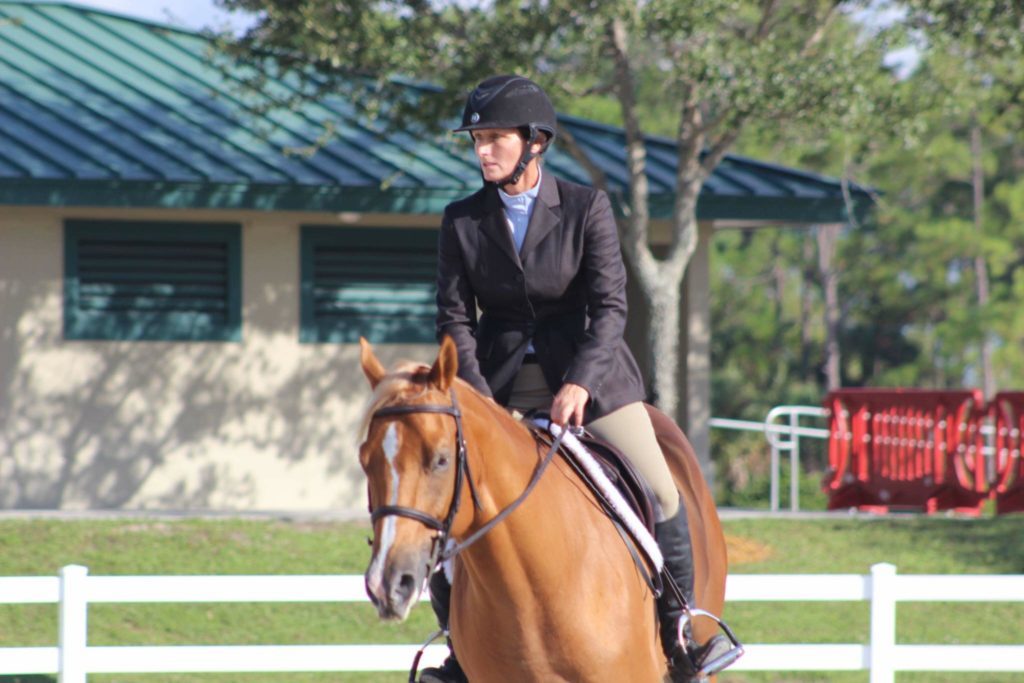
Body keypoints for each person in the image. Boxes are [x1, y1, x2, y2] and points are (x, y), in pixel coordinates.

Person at [424, 74, 724, 683]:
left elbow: (611, 307)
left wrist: (581, 382)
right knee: (444, 510)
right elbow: (454, 316)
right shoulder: (461, 220)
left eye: (494, 138)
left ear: (535, 141)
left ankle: (681, 632)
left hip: (592, 379)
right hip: (499, 383)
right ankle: (461, 652)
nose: (482, 150)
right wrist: (479, 399)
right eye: (477, 140)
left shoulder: (587, 208)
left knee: (662, 492)